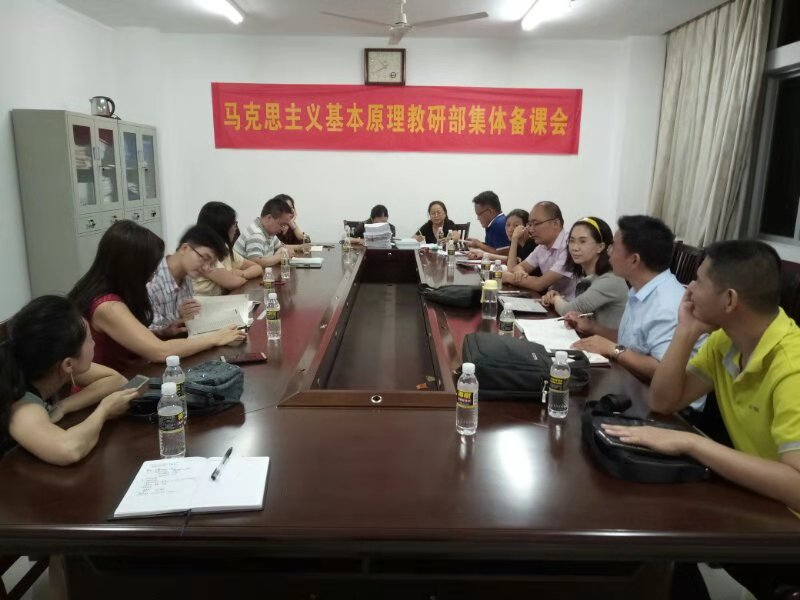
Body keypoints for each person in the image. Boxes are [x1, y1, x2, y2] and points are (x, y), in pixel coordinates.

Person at [602, 241, 800, 599]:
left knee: (655, 546)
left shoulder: (792, 367)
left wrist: (694, 443)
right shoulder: (725, 341)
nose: (688, 288)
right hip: (756, 500)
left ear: (729, 300)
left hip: (785, 528)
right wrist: (686, 331)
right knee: (647, 529)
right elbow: (664, 401)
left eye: (698, 281)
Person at [69, 220, 246, 373]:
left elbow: (132, 335)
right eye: (150, 267)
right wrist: (216, 338)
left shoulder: (113, 295)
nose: (153, 273)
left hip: (129, 374)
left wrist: (162, 332)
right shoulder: (107, 306)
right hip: (117, 383)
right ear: (130, 267)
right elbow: (160, 351)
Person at [1, 295, 140, 465]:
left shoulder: (48, 366)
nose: (94, 343)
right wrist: (104, 410)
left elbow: (116, 380)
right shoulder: (21, 405)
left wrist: (63, 406)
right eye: (89, 339)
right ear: (68, 364)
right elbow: (69, 449)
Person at [570, 215, 702, 384]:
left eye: (614, 248)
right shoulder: (640, 288)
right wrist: (592, 327)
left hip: (654, 395)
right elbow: (632, 342)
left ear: (634, 260)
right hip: (631, 380)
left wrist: (613, 349)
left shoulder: (667, 305)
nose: (608, 253)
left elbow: (663, 370)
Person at [540, 217, 628, 330]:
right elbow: (580, 311)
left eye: (582, 241)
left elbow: (569, 311)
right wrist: (558, 298)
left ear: (600, 247)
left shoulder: (610, 280)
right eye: (572, 241)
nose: (575, 248)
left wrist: (556, 299)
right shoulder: (588, 275)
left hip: (607, 340)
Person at [147, 224, 229, 330]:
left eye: (212, 264)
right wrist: (179, 316)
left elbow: (187, 319)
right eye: (204, 258)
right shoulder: (151, 281)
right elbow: (147, 330)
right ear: (184, 248)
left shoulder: (187, 277)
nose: (206, 268)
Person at [501, 201, 576, 297]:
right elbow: (518, 267)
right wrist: (519, 272)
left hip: (571, 304)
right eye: (530, 224)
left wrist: (508, 277)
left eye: (536, 224)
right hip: (550, 300)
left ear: (556, 223)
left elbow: (540, 284)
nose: (531, 229)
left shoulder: (570, 245)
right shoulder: (542, 246)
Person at [194, 201, 263, 296]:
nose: (236, 228)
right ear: (221, 227)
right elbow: (233, 283)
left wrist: (243, 274)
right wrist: (235, 277)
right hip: (204, 304)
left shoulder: (224, 248)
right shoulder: (202, 254)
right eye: (234, 223)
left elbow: (258, 268)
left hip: (222, 300)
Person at [234, 195, 296, 267]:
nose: (283, 228)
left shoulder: (269, 232)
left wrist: (285, 250)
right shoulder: (255, 234)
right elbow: (256, 262)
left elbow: (282, 247)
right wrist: (282, 256)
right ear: (269, 218)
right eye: (282, 224)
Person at [468, 209, 536, 268]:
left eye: (516, 225)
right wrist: (484, 255)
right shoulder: (519, 245)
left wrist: (514, 239)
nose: (510, 229)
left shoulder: (531, 245)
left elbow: (511, 268)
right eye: (508, 225)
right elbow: (514, 259)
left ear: (527, 226)